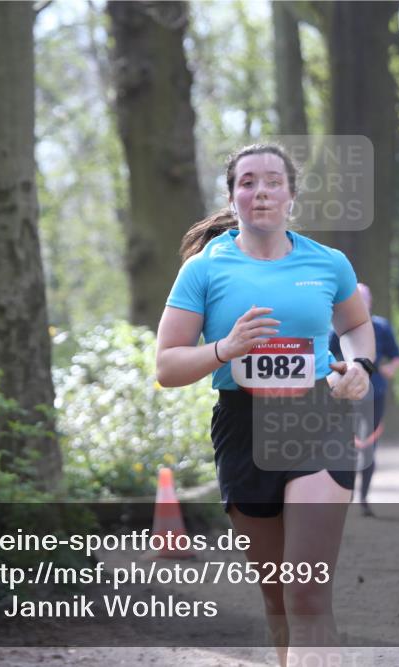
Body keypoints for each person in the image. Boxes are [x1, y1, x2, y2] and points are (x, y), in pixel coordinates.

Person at [155, 143, 375, 666]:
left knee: (306, 592)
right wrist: (224, 350)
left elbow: (356, 326)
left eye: (273, 181)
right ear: (233, 198)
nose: (261, 191)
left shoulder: (328, 263)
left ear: (291, 196)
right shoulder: (204, 271)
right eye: (248, 182)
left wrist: (359, 368)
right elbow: (166, 366)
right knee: (278, 601)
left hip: (314, 419)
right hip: (242, 427)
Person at [329, 283, 399, 517]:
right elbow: (326, 359)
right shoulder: (335, 329)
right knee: (345, 446)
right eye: (356, 299)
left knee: (368, 446)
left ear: (370, 302)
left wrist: (391, 368)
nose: (360, 303)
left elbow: (396, 357)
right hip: (343, 395)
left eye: (364, 299)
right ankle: (345, 496)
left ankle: (363, 498)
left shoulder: (381, 326)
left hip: (374, 393)